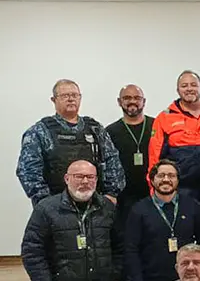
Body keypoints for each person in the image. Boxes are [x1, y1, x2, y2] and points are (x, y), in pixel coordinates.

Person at [18, 79, 125, 207]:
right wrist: (44, 201)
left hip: (95, 204)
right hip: (55, 205)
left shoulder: (95, 129)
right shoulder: (40, 131)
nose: (70, 99)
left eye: (74, 95)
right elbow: (28, 170)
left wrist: (111, 194)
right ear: (54, 100)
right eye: (65, 96)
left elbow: (112, 160)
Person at [148, 70, 200, 233]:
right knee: (184, 231)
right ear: (178, 90)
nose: (189, 89)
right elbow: (154, 158)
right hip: (183, 188)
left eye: (193, 85)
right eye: (184, 86)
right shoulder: (164, 118)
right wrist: (153, 188)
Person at [106, 84, 155, 231]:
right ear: (119, 101)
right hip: (123, 198)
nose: (132, 101)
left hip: (153, 193)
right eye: (127, 98)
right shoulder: (110, 131)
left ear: (144, 101)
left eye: (137, 98)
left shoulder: (156, 126)